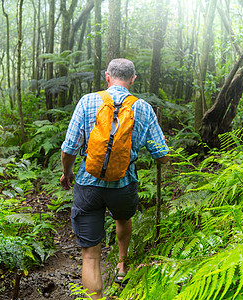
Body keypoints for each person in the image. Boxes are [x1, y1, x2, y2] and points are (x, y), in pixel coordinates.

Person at [60, 58, 169, 299]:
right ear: (133, 79)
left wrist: (67, 173)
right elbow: (161, 156)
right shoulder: (143, 108)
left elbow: (68, 149)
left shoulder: (87, 101)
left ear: (107, 77)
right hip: (124, 184)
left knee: (90, 255)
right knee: (123, 217)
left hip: (88, 183)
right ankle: (122, 265)